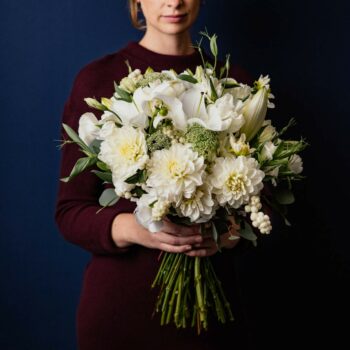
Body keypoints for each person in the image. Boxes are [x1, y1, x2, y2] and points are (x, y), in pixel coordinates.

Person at [55, 0, 257, 349]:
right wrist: (135, 229)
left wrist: (228, 235)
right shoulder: (99, 78)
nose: (174, 2)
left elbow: (262, 204)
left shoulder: (234, 84)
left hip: (209, 319)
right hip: (120, 314)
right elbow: (70, 211)